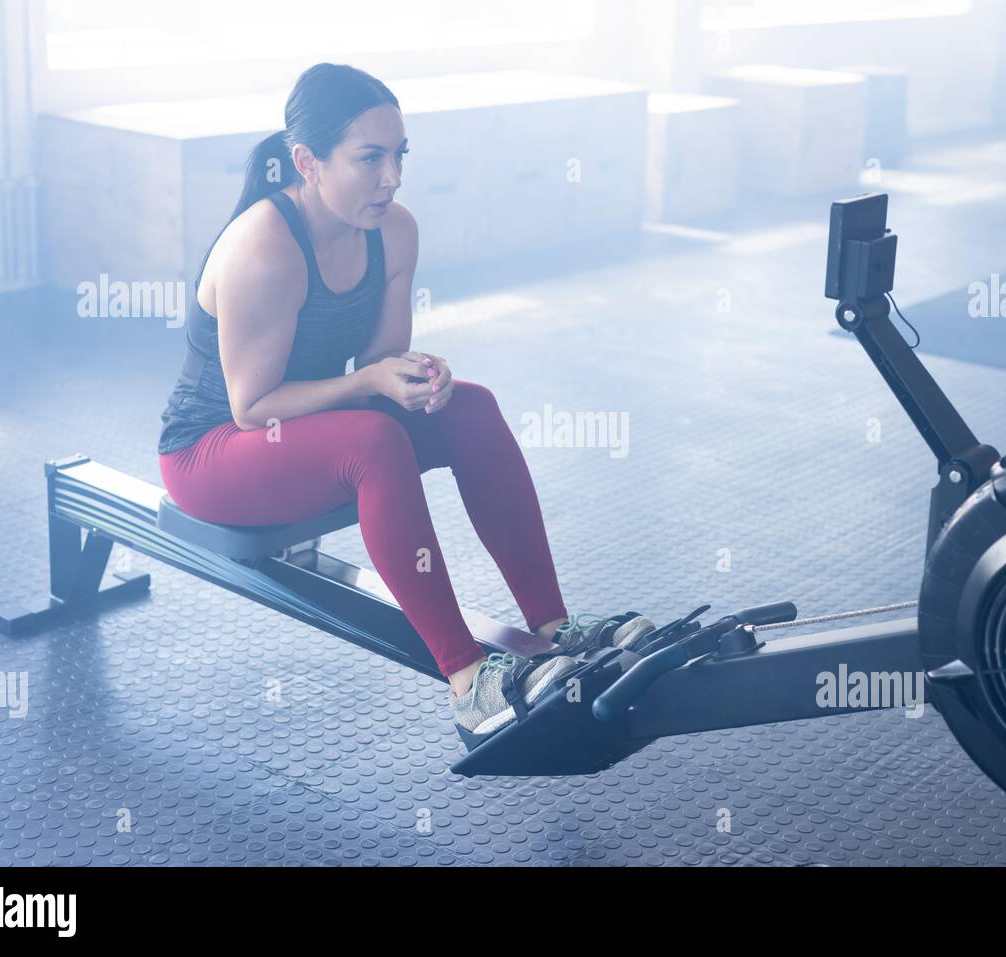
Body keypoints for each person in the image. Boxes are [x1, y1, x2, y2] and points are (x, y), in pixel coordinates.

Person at [156, 63, 654, 745]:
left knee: (471, 407)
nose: (392, 177)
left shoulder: (394, 230)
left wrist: (421, 377)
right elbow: (253, 408)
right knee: (372, 441)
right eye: (370, 158)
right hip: (212, 451)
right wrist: (371, 385)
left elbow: (379, 361)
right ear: (307, 162)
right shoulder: (263, 247)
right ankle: (467, 681)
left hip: (301, 427)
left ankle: (551, 624)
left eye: (399, 156)